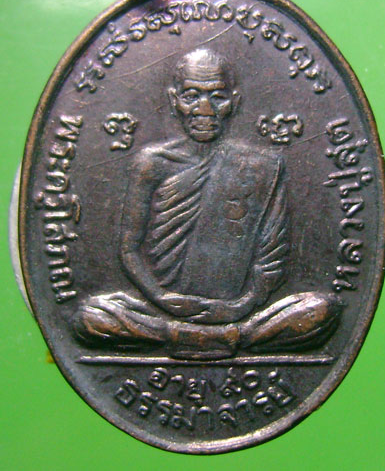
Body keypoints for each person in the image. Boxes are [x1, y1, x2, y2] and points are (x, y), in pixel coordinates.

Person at [74, 48, 342, 358]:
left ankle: (192, 337)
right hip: (160, 310)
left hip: (238, 312)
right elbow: (129, 249)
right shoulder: (151, 163)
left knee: (320, 310)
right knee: (91, 317)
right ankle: (226, 339)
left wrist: (240, 306)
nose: (204, 109)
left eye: (217, 97)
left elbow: (271, 262)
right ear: (174, 100)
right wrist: (162, 298)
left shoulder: (263, 166)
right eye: (191, 96)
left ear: (234, 102)